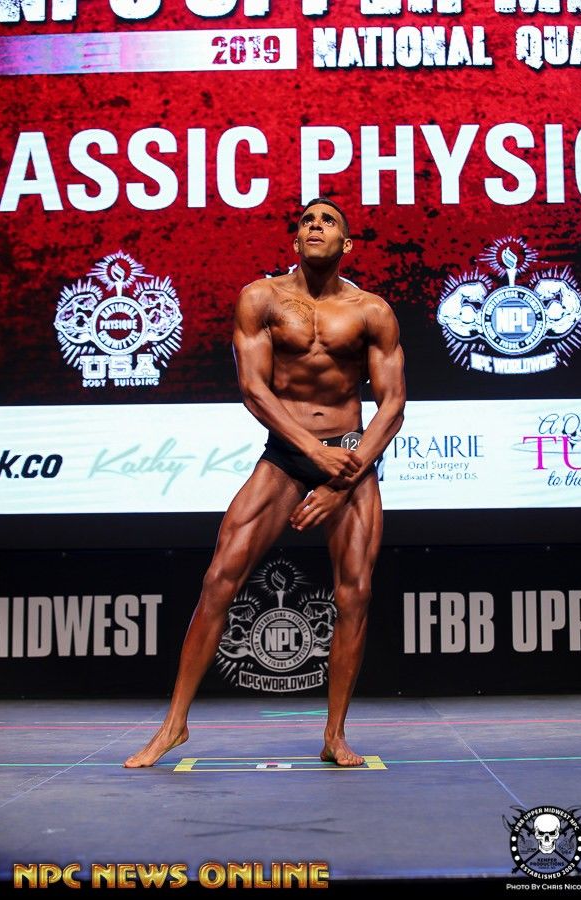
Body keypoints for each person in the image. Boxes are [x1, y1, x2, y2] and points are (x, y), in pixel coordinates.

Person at [124, 198, 406, 768]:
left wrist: (342, 478)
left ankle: (334, 735)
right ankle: (174, 725)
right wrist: (311, 453)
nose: (316, 226)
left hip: (351, 459)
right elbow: (254, 389)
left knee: (355, 593)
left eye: (328, 221)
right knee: (219, 578)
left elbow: (393, 403)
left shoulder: (372, 311)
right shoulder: (262, 298)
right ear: (295, 241)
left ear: (347, 244)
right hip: (287, 455)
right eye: (307, 221)